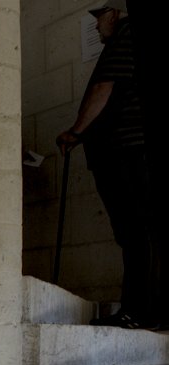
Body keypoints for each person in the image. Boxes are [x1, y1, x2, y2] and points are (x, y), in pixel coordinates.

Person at [57, 6, 156, 328]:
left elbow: (104, 87)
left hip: (125, 151)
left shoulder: (124, 35)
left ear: (111, 15)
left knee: (135, 232)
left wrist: (76, 132)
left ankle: (138, 311)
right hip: (132, 151)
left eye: (97, 21)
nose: (97, 30)